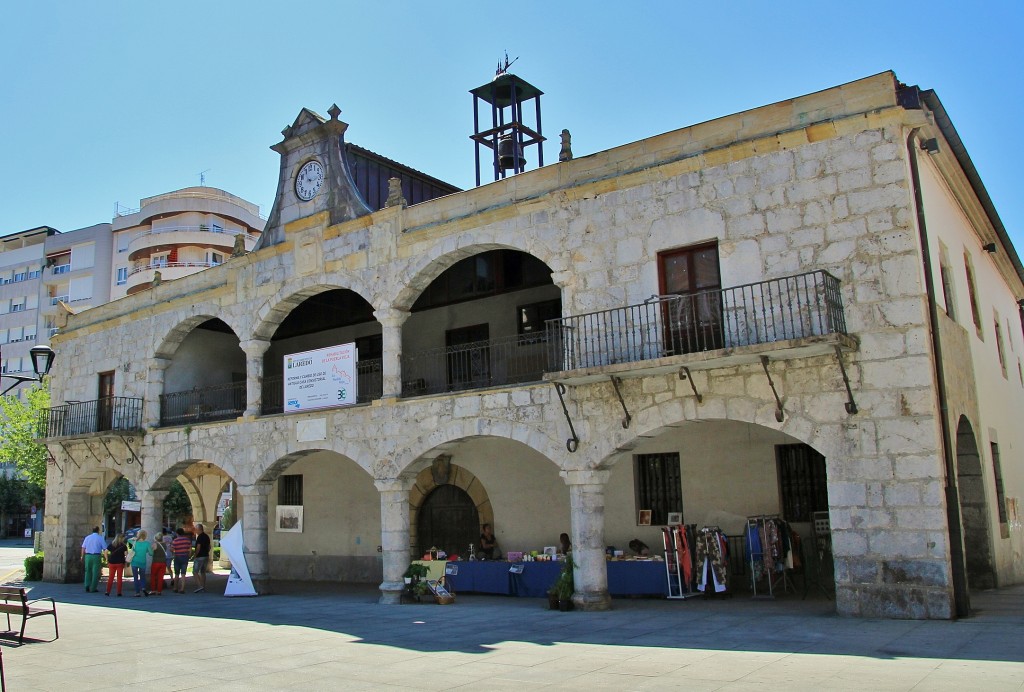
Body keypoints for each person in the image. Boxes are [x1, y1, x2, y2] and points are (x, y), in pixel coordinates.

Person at [80, 526, 106, 593]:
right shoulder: (100, 538)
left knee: (87, 571)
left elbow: (83, 548)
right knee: (95, 572)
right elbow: (105, 549)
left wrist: (82, 556)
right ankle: (93, 588)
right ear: (98, 531)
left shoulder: (87, 537)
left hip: (88, 556)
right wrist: (106, 558)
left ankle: (87, 585)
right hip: (96, 556)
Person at [130, 530, 152, 597]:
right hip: (142, 562)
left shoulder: (134, 542)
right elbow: (151, 553)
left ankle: (137, 592)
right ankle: (143, 588)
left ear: (138, 535)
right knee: (142, 577)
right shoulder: (147, 543)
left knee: (135, 577)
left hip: (134, 562)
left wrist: (134, 538)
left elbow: (128, 540)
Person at [171, 528, 192, 593]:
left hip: (177, 557)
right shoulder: (187, 540)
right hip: (185, 557)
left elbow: (172, 549)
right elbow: (190, 549)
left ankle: (175, 588)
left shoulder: (175, 541)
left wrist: (173, 552)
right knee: (183, 574)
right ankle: (182, 589)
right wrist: (189, 555)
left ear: (177, 533)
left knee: (176, 573)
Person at [192, 523, 211, 593]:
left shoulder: (200, 537)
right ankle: (203, 586)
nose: (195, 531)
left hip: (200, 557)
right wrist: (207, 552)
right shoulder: (207, 536)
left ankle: (200, 586)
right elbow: (209, 547)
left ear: (199, 529)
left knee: (195, 571)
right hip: (206, 556)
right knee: (203, 572)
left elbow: (198, 547)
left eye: (196, 529)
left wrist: (195, 555)